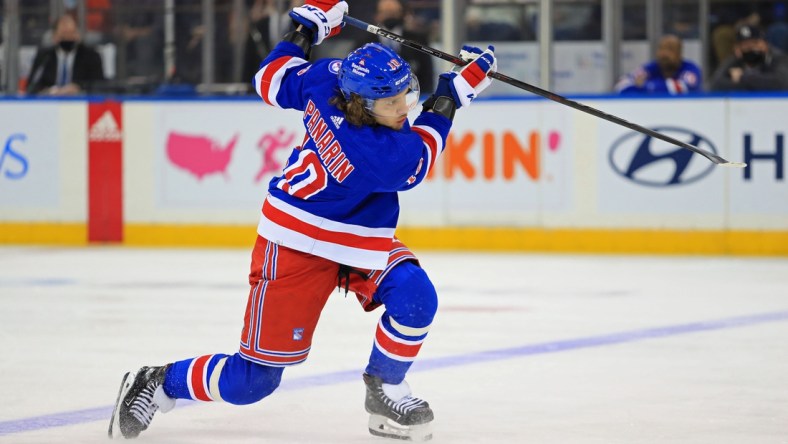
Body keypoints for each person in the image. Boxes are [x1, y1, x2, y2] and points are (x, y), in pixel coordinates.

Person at [108, 0, 497, 441]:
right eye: (392, 102)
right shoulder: (379, 155)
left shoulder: (326, 78)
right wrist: (453, 92)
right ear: (362, 105)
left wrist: (306, 29)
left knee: (415, 297)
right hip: (296, 242)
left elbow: (269, 78)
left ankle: (385, 389)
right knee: (251, 382)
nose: (405, 107)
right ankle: (159, 382)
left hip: (357, 237)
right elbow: (425, 147)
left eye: (406, 93)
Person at [354, 0, 435, 92]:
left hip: (412, 96)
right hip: (376, 97)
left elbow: (427, 74)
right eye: (385, 12)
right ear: (376, 15)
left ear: (403, 14)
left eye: (394, 12)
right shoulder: (364, 43)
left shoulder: (418, 40)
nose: (390, 15)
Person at [26, 14, 105, 95]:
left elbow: (99, 85)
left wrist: (79, 88)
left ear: (78, 35)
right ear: (55, 37)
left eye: (71, 33)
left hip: (79, 102)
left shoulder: (91, 56)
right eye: (64, 34)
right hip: (50, 103)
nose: (68, 38)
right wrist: (49, 91)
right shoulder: (44, 57)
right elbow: (32, 86)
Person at [710, 24, 788, 92]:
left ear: (764, 43)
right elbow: (715, 84)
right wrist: (751, 85)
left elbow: (781, 82)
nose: (751, 49)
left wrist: (743, 77)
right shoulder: (735, 60)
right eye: (746, 46)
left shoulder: (778, 58)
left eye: (755, 43)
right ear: (738, 49)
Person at [615, 34, 702, 95]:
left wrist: (645, 86)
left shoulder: (690, 69)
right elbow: (621, 85)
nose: (664, 53)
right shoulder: (650, 68)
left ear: (679, 53)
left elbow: (683, 87)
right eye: (661, 49)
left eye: (670, 49)